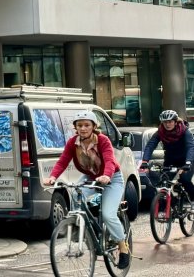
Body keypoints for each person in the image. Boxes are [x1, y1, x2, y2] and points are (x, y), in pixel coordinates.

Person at [43, 110, 130, 269]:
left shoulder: (102, 140)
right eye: (79, 125)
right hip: (90, 177)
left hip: (112, 178)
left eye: (87, 125)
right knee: (76, 199)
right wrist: (53, 177)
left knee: (108, 214)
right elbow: (62, 161)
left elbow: (110, 160)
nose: (83, 128)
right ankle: (86, 232)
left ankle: (122, 245)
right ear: (75, 127)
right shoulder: (73, 143)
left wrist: (106, 176)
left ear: (94, 126)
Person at [141, 109, 194, 204]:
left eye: (170, 122)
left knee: (185, 179)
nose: (167, 124)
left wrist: (188, 162)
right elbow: (150, 145)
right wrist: (145, 161)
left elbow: (190, 147)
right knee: (164, 181)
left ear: (175, 122)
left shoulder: (185, 131)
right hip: (170, 159)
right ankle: (171, 204)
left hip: (186, 159)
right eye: (165, 122)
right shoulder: (160, 132)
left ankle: (192, 198)